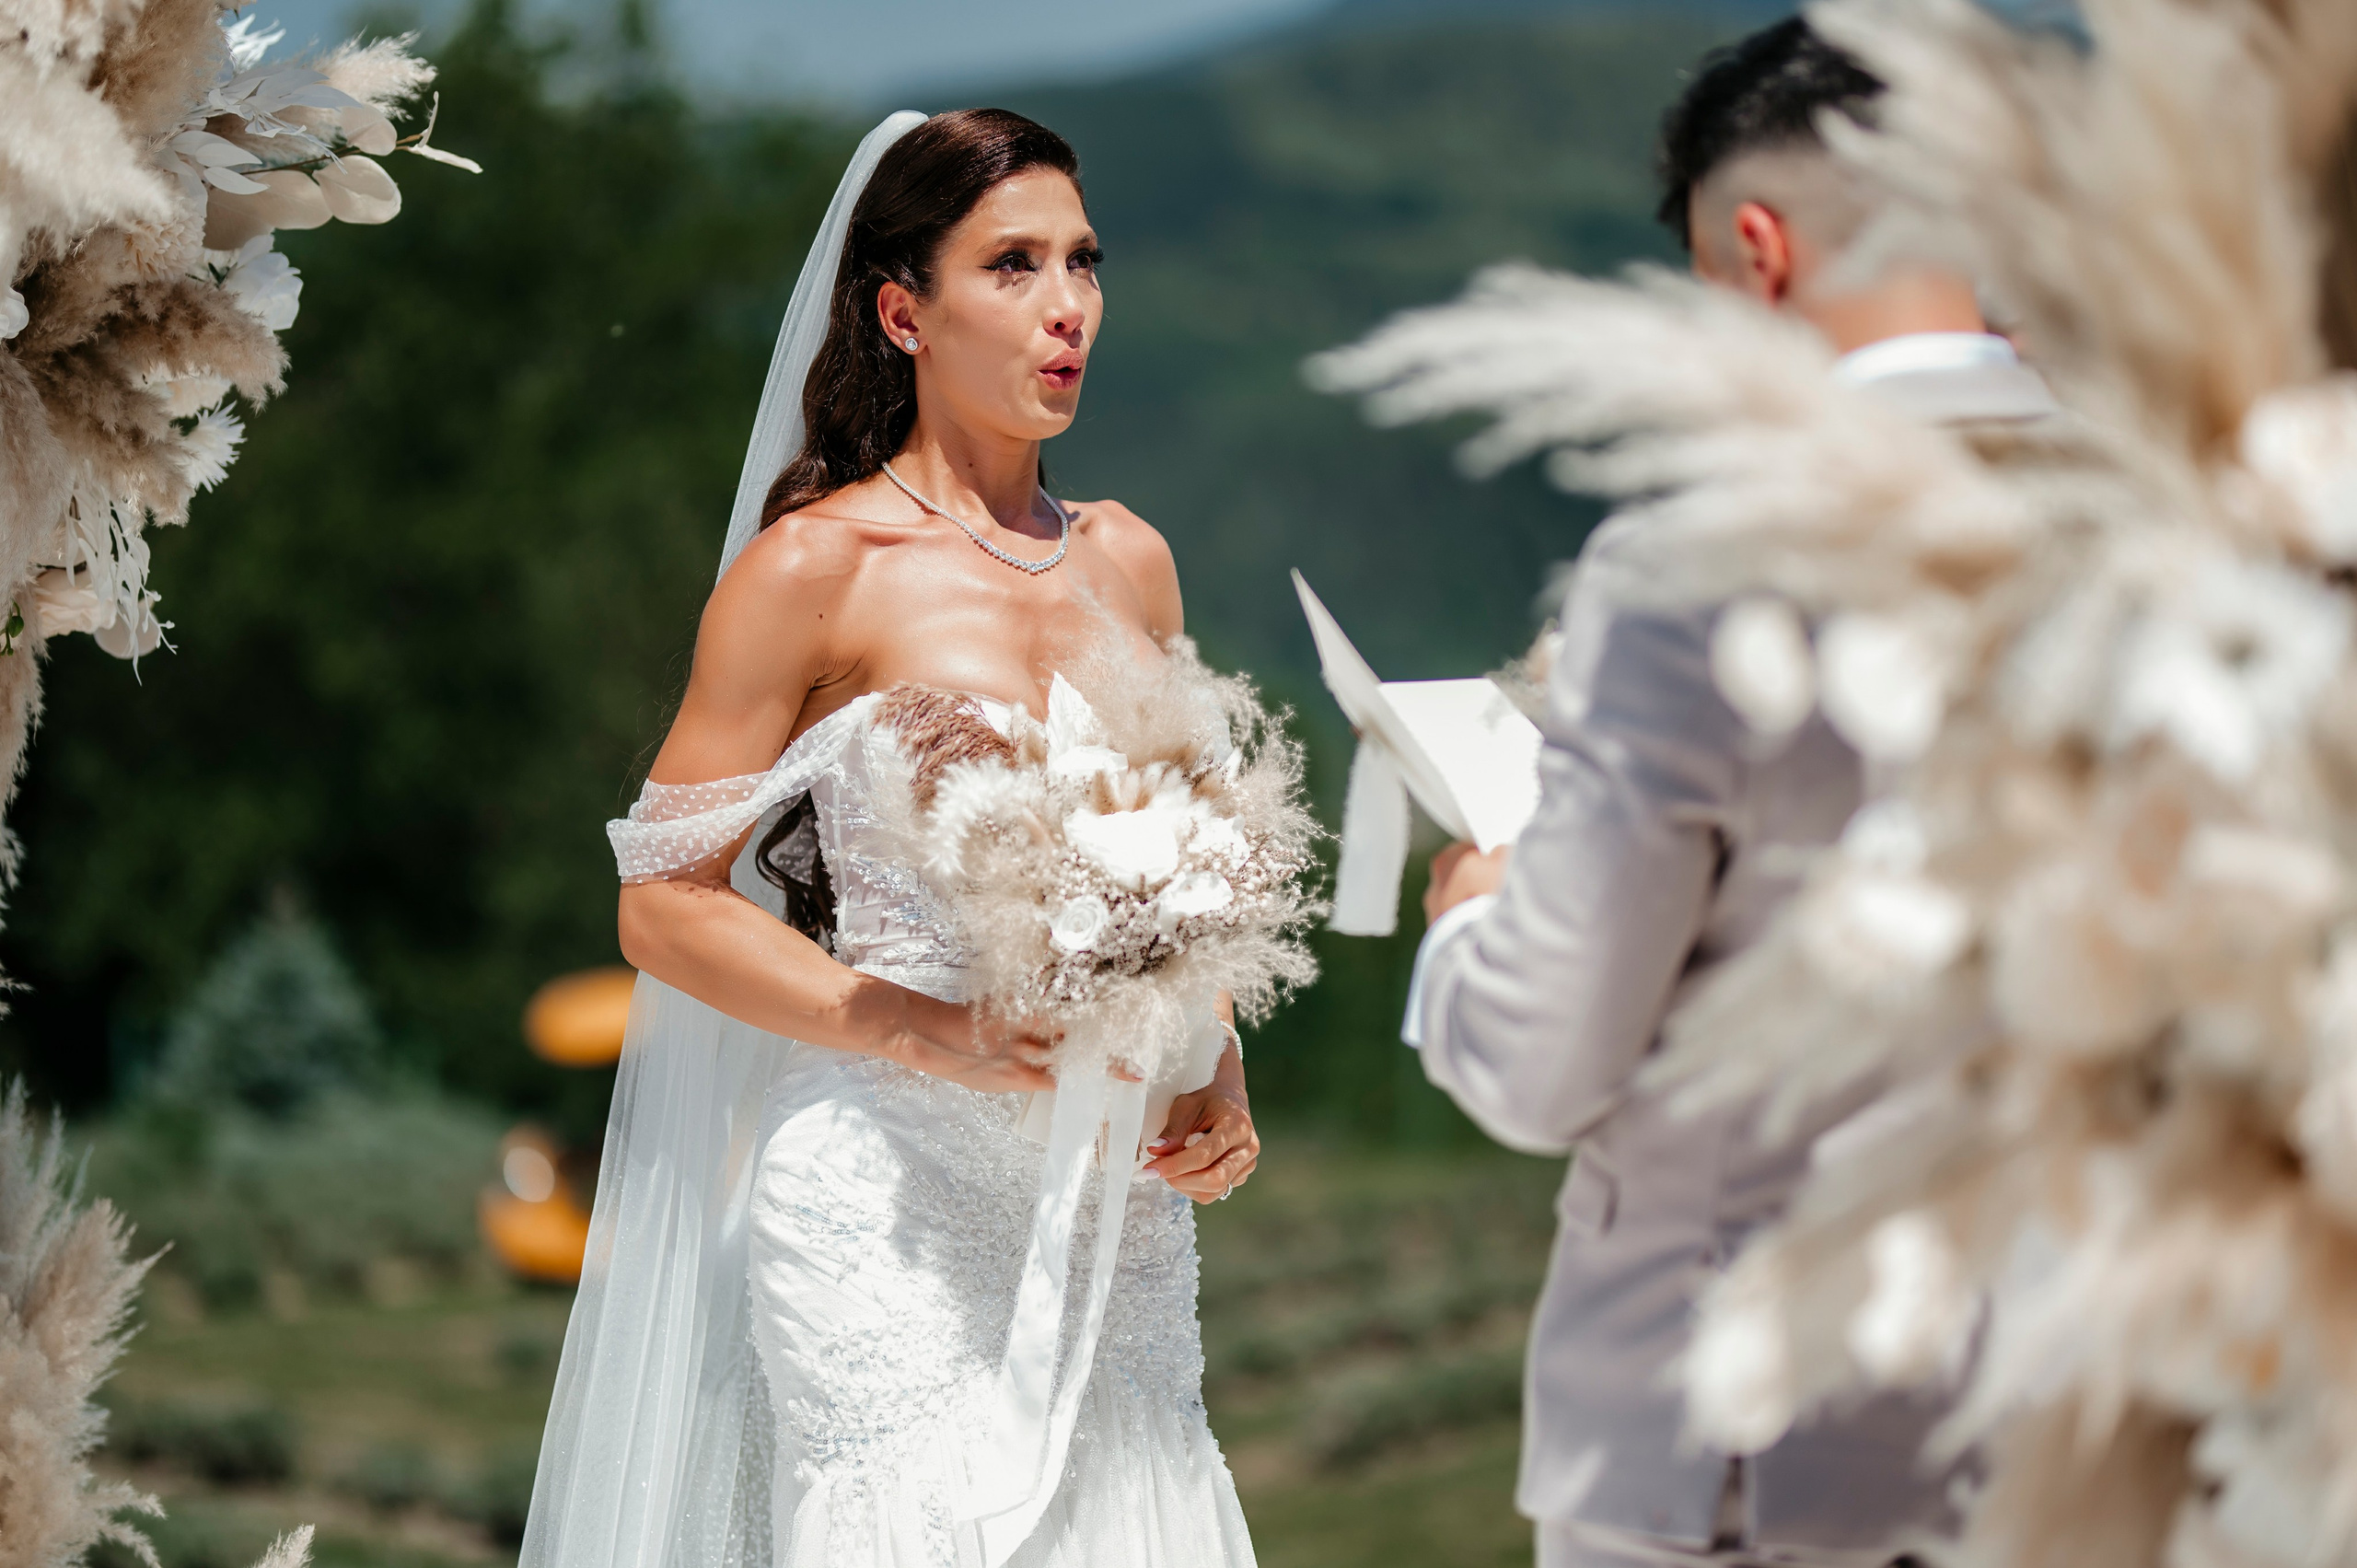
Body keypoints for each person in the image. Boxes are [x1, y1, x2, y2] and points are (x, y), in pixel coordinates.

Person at [520, 110, 1261, 1568]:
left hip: (1107, 1200)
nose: (1067, 305)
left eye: (1084, 262)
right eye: (1013, 266)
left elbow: (1185, 871)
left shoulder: (1131, 560)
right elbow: (662, 902)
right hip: (881, 1198)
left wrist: (1216, 1063)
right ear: (903, 312)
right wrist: (929, 1032)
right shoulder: (816, 567)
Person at [1405, 20, 2060, 1568]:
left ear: (1757, 255)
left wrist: (1470, 923)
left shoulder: (1704, 559)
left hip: (1747, 1444)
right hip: (2098, 1436)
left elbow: (1543, 1062)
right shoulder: (2193, 516)